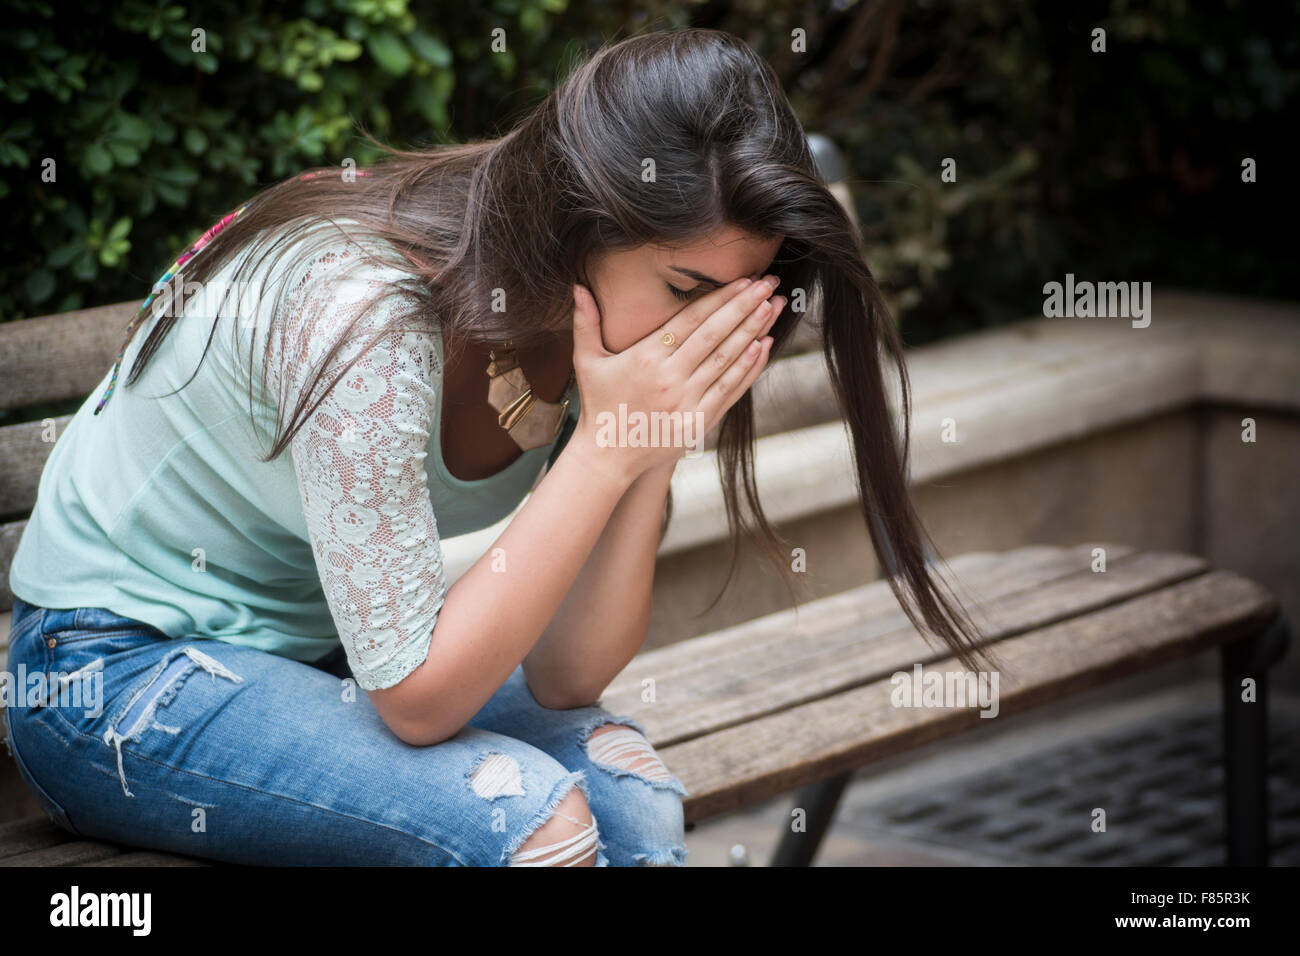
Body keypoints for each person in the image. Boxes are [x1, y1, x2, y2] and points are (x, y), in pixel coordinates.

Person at [3, 27, 990, 866]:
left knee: (627, 789)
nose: (708, 333)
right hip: (115, 677)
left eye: (740, 298)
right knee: (530, 813)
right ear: (574, 227)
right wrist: (607, 447)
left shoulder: (591, 331)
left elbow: (568, 676)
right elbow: (420, 703)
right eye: (689, 292)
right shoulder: (368, 318)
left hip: (310, 663)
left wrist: (644, 443)